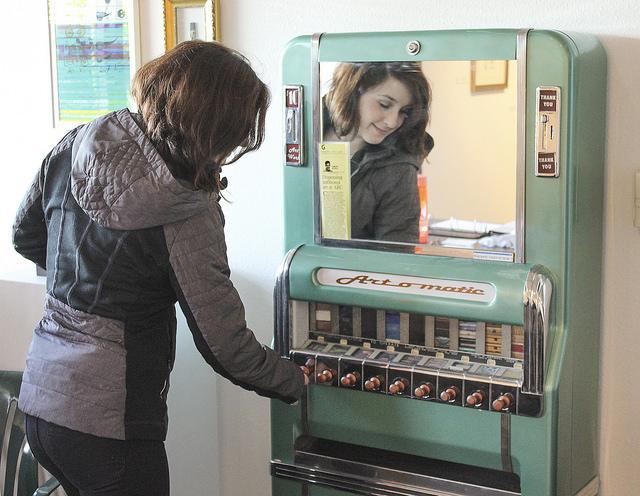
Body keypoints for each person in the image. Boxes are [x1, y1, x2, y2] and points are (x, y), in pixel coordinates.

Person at [12, 40, 306, 496]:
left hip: (41, 406)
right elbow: (223, 344)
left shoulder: (79, 142)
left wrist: (81, 285)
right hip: (109, 426)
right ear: (215, 130)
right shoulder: (186, 210)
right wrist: (297, 381)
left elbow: (26, 236)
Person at [323, 62, 434, 243]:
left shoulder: (399, 167)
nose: (392, 122)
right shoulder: (302, 131)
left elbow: (397, 253)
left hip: (353, 271)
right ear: (353, 91)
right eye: (384, 104)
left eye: (404, 112)